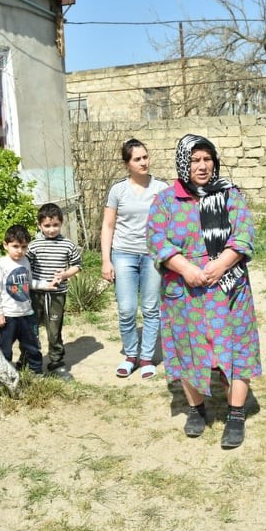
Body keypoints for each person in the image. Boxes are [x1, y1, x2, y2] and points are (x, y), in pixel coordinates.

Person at [147, 134, 261, 449]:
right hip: (184, 289)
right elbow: (157, 239)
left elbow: (244, 234)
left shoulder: (229, 195)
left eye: (207, 159)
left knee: (237, 348)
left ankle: (236, 415)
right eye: (195, 160)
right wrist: (186, 269)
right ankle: (197, 410)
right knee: (188, 348)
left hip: (228, 287)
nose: (202, 166)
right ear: (184, 162)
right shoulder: (166, 200)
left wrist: (221, 264)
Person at [100, 139, 169, 380]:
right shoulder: (118, 190)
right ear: (127, 163)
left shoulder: (161, 188)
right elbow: (108, 226)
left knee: (151, 308)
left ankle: (147, 358)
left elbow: (170, 224)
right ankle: (131, 355)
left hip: (152, 255)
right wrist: (105, 261)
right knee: (127, 309)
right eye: (137, 159)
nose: (143, 162)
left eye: (145, 157)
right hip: (123, 254)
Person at [27, 203, 83, 379]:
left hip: (57, 294)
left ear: (61, 223)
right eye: (47, 226)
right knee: (31, 327)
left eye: (55, 225)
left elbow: (78, 266)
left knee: (54, 328)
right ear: (39, 225)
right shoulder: (33, 246)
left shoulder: (67, 244)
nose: (51, 229)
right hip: (36, 293)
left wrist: (66, 274)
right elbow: (25, 267)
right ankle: (30, 361)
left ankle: (56, 361)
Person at [0, 224, 54, 375]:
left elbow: (29, 282)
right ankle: (3, 376)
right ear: (5, 245)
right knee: (5, 349)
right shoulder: (0, 265)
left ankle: (36, 372)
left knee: (32, 346)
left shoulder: (25, 262)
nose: (20, 251)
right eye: (15, 246)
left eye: (24, 246)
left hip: (27, 314)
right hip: (8, 316)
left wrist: (46, 285)